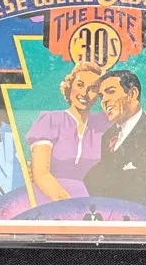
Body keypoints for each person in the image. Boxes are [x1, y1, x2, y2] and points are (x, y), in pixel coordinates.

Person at [26, 62, 108, 201]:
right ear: (70, 87)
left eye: (93, 89)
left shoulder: (101, 124)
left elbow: (136, 117)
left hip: (89, 201)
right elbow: (41, 175)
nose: (84, 93)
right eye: (80, 85)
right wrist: (72, 205)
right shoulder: (50, 120)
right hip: (50, 198)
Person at [83, 70, 146, 204]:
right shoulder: (107, 136)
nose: (104, 101)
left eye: (110, 92)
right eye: (101, 96)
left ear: (132, 94)